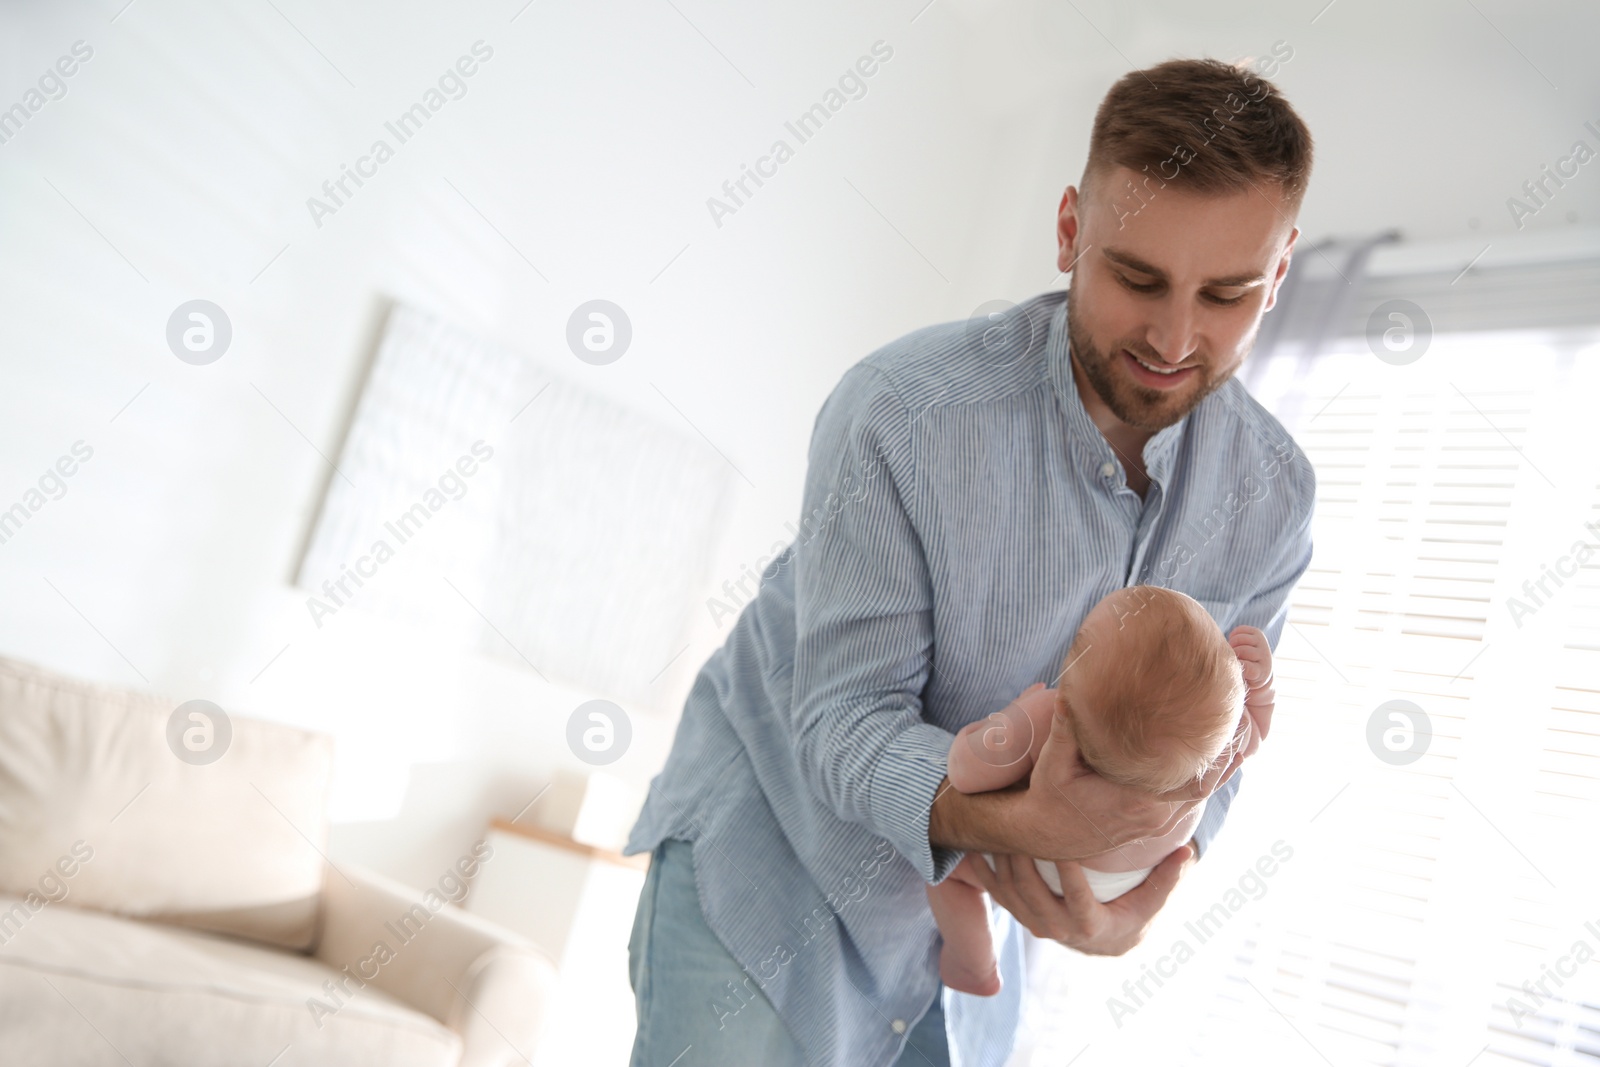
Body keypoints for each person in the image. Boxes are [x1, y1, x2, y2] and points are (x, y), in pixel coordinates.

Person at [624, 55, 1316, 1067]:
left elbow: (1215, 746)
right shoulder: (901, 413)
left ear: (1282, 268)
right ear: (1070, 229)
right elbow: (844, 721)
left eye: (1225, 294)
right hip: (773, 863)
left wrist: (1143, 886)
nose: (1173, 337)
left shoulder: (1274, 497)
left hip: (976, 936)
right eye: (1137, 278)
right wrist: (1026, 817)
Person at [929, 586, 1276, 996]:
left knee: (950, 876)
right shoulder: (1215, 760)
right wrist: (1263, 688)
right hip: (1126, 883)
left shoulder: (1049, 714)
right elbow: (1254, 734)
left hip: (1046, 858)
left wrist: (1007, 718)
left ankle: (975, 963)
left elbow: (965, 774)